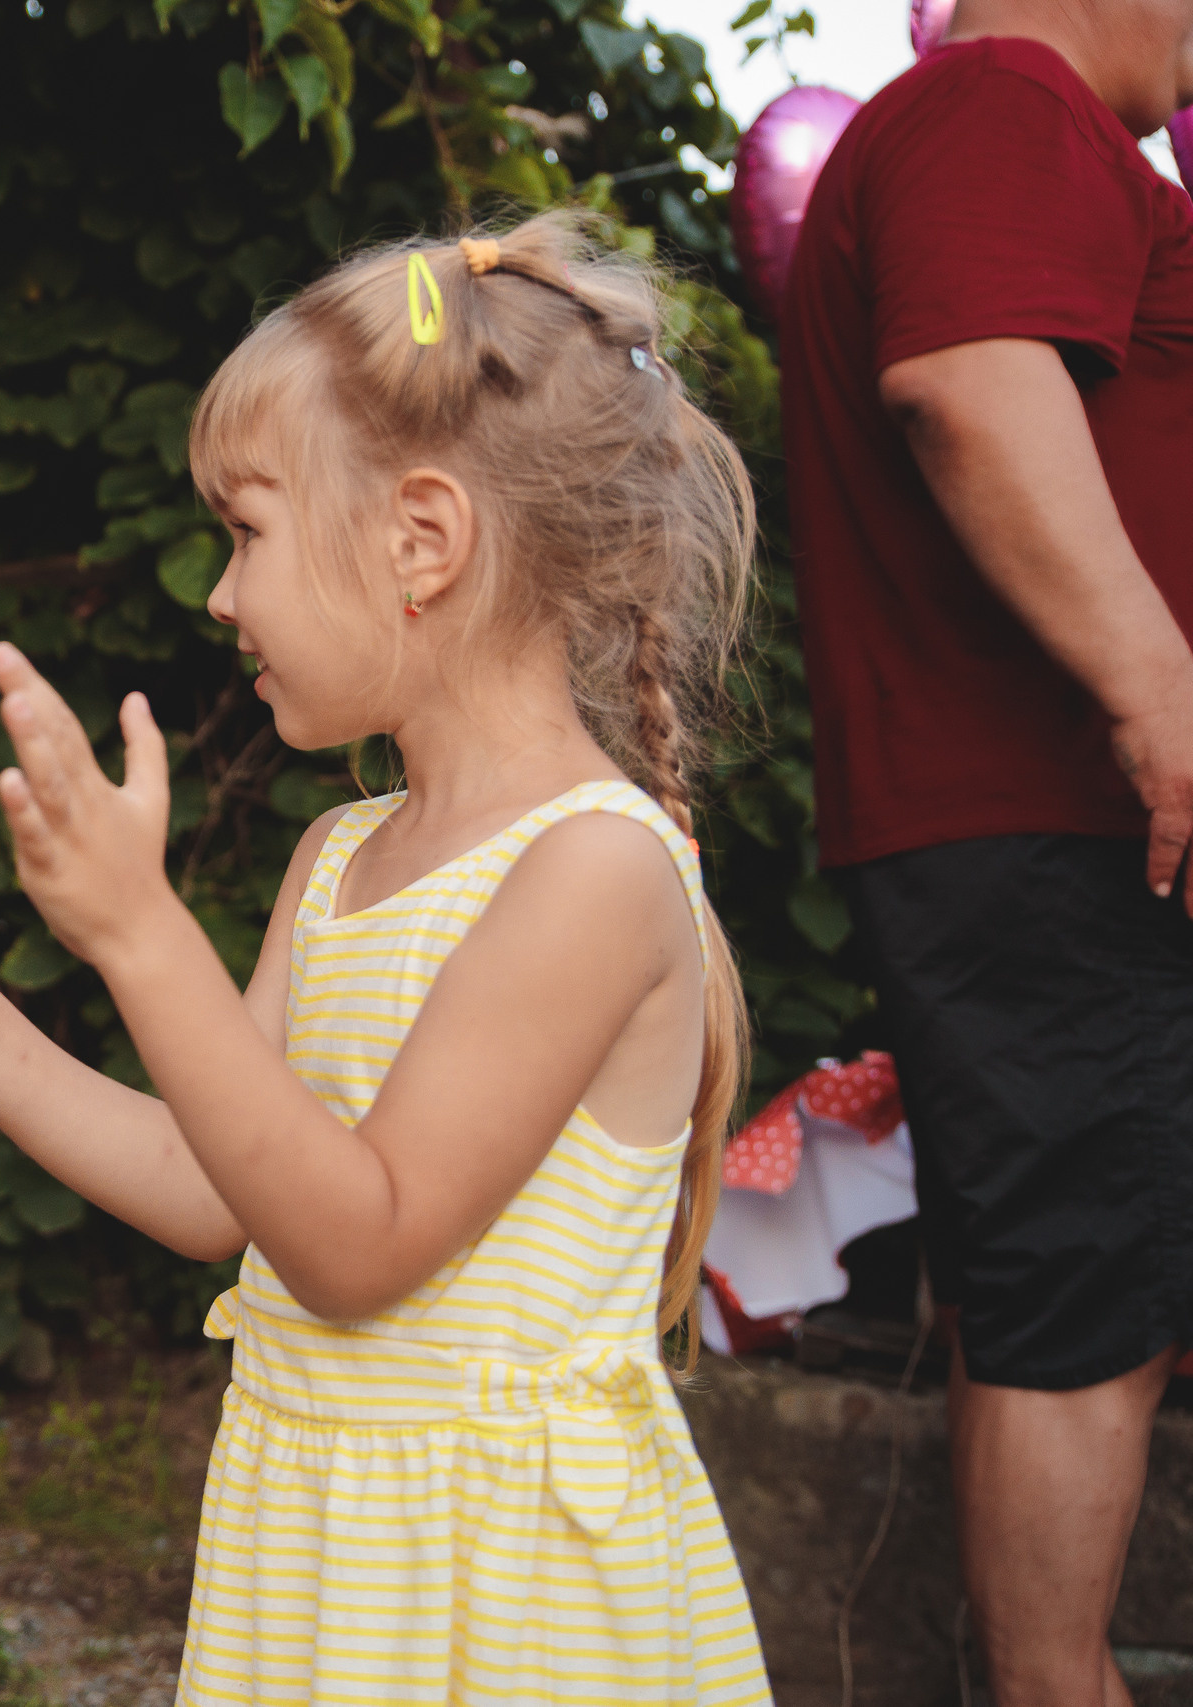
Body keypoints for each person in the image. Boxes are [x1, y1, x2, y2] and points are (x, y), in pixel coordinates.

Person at [0, 214, 770, 1704]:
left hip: (505, 1608)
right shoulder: (337, 860)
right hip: (327, 1559)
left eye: (247, 532)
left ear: (422, 542)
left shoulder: (593, 869)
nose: (219, 594)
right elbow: (224, 1189)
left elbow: (355, 1246)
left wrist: (141, 937)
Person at [779, 3, 1193, 1699]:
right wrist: (1163, 692)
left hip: (1066, 827)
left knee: (1093, 1300)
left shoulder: (1009, 120)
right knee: (1075, 1316)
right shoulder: (1004, 99)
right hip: (1060, 826)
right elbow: (966, 383)